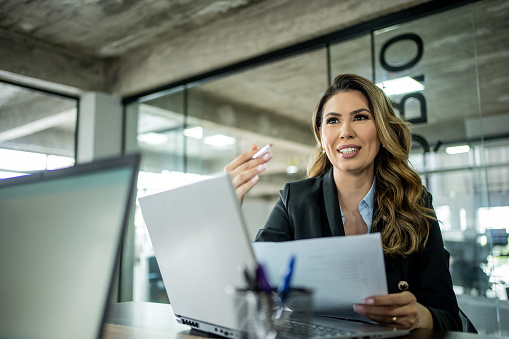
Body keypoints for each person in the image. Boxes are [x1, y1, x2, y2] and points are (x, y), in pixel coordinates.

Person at [224, 74, 462, 332]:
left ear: (382, 130)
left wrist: (419, 316)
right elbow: (251, 292)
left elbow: (448, 317)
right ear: (321, 135)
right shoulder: (296, 200)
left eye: (360, 117)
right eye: (333, 120)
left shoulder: (415, 202)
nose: (346, 132)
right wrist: (223, 214)